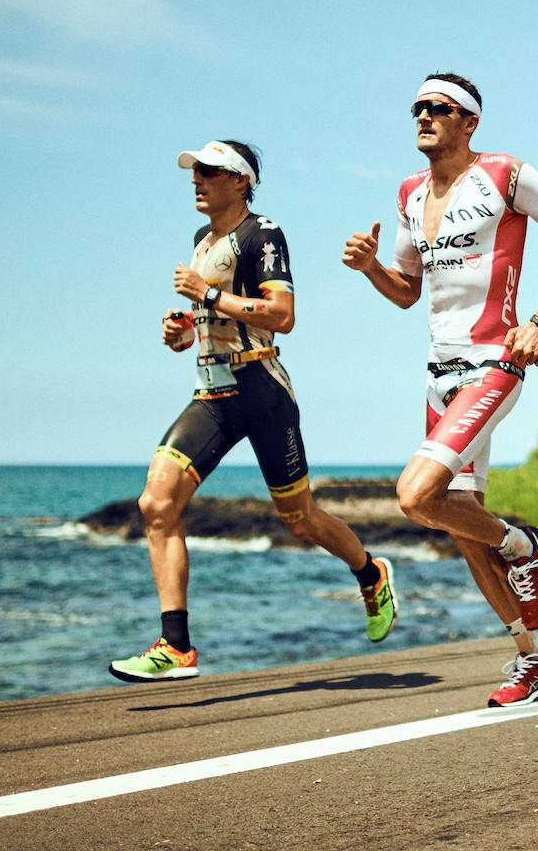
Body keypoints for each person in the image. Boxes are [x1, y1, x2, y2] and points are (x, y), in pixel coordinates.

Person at [343, 74, 538, 707]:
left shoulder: (506, 174)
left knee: (414, 496)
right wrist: (371, 266)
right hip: (439, 373)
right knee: (461, 527)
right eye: (418, 108)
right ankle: (534, 659)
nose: (425, 116)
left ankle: (524, 544)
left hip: (495, 361)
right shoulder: (409, 193)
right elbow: (407, 291)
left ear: (469, 123)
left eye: (440, 108)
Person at [110, 140, 398, 683]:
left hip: (261, 389)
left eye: (210, 172)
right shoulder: (203, 241)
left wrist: (208, 297)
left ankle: (370, 573)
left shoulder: (262, 234)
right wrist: (180, 329)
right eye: (194, 172)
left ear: (241, 181)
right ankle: (175, 647)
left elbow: (282, 315)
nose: (197, 180)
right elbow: (205, 318)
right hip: (211, 395)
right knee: (156, 503)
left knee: (301, 521)